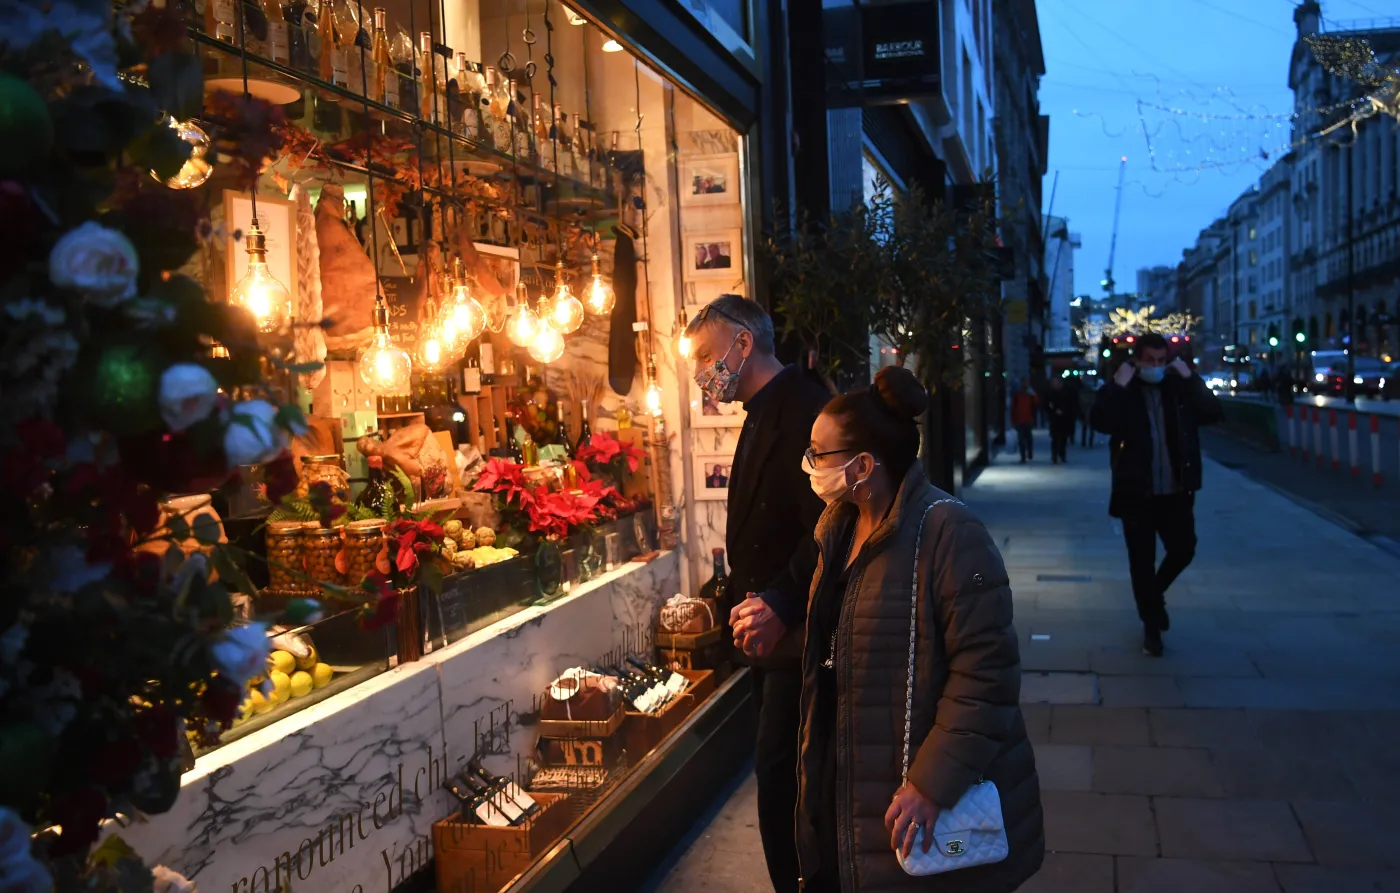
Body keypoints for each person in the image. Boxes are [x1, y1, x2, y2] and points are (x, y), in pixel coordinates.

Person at [794, 366, 1044, 893]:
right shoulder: (838, 529)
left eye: (819, 454)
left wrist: (932, 783)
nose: (810, 465)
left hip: (918, 792)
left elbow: (987, 674)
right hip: (855, 781)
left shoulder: (950, 532)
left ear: (863, 465)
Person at [683, 294, 829, 893]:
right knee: (779, 780)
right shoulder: (763, 409)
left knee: (787, 783)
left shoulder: (805, 410)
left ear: (743, 343)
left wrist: (781, 602)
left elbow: (829, 525)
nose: (700, 373)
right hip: (769, 635)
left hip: (798, 634)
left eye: (705, 356)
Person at [1091, 333, 1223, 657]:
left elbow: (1213, 412)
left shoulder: (1177, 389)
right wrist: (1116, 386)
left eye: (1161, 361)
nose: (1155, 366)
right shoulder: (1126, 391)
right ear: (1136, 360)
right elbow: (1100, 422)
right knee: (1141, 561)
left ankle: (1155, 594)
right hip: (1136, 490)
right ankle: (1151, 628)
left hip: (1176, 490)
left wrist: (1191, 378)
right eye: (1149, 361)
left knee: (1184, 549)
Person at [1045, 376, 1077, 464]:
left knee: (1063, 438)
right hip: (1054, 419)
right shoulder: (1050, 393)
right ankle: (1054, 456)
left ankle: (1062, 454)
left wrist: (1064, 411)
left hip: (1065, 419)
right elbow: (1047, 405)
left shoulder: (1067, 392)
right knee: (1054, 438)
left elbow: (1071, 404)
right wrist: (1054, 411)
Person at [1009, 379, 1038, 463]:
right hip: (1020, 419)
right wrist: (1013, 420)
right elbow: (1013, 408)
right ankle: (1023, 456)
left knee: (1028, 438)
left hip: (1028, 419)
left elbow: (1036, 403)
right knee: (1022, 439)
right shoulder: (1017, 395)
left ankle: (1028, 452)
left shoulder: (1030, 394)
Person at [1079, 377, 1099, 447]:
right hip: (1091, 413)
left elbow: (1080, 404)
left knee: (1084, 428)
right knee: (1091, 429)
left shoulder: (1081, 393)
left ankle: (1084, 442)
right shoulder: (1095, 394)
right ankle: (1090, 442)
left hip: (1084, 412)